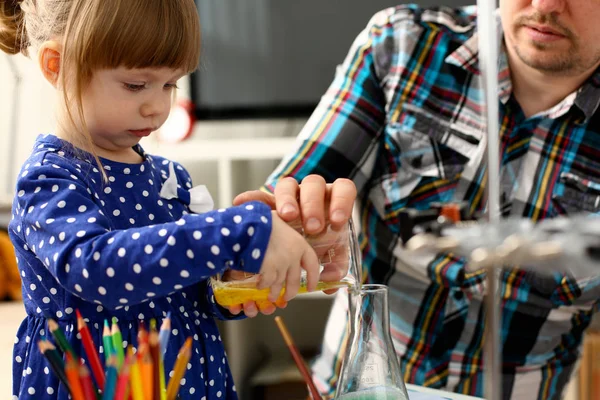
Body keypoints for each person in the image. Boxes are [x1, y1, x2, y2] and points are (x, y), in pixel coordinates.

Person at [234, 1, 600, 399]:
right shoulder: (402, 44)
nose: (546, 4)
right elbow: (288, 207)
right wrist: (275, 234)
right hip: (363, 390)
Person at [0, 0, 323, 399]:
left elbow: (188, 287)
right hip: (96, 382)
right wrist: (233, 232)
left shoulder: (170, 177)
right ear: (56, 65)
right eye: (136, 85)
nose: (158, 106)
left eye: (170, 84)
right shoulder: (50, 177)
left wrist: (231, 282)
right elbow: (97, 268)